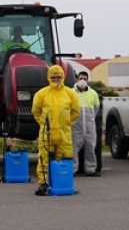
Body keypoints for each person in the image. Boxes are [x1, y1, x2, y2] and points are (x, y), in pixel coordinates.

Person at [32, 65, 80, 196]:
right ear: (49, 77)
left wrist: (67, 122)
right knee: (44, 158)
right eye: (53, 77)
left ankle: (62, 183)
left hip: (64, 132)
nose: (56, 79)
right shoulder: (41, 94)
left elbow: (76, 111)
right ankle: (43, 183)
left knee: (64, 158)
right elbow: (36, 111)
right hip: (46, 133)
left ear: (63, 77)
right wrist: (43, 123)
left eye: (58, 77)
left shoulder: (70, 93)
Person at [73, 70, 101, 177]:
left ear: (88, 80)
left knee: (90, 148)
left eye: (85, 79)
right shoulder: (71, 93)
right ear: (77, 79)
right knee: (74, 149)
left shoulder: (93, 93)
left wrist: (90, 119)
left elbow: (96, 109)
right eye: (80, 78)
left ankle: (90, 169)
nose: (82, 81)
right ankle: (73, 169)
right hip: (76, 127)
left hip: (89, 126)